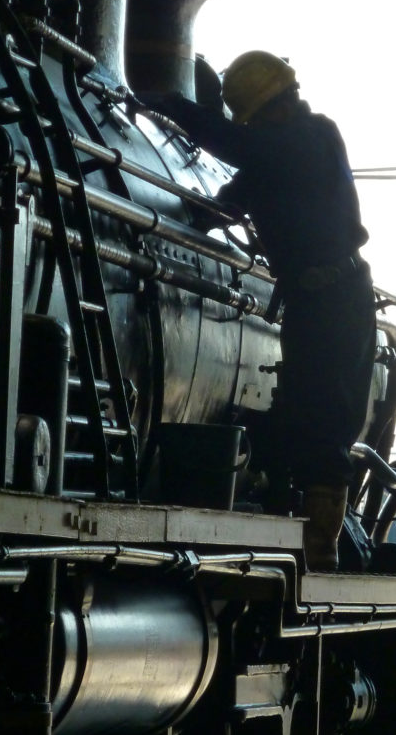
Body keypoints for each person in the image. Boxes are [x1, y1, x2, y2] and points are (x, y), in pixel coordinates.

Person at [147, 51, 376, 571]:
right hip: (311, 302)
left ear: (279, 105)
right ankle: (284, 513)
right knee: (294, 414)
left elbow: (244, 148)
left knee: (325, 425)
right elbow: (230, 197)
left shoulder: (312, 136)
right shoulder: (275, 156)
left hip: (338, 300)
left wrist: (173, 106)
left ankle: (321, 550)